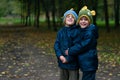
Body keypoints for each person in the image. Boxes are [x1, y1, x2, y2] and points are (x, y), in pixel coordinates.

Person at [65, 6, 99, 80]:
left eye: (86, 19)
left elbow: (82, 45)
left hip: (89, 63)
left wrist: (70, 50)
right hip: (86, 63)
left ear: (90, 21)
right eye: (81, 19)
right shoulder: (83, 30)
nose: (83, 21)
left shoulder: (90, 33)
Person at [54, 8, 80, 80]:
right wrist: (60, 56)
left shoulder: (77, 32)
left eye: (72, 17)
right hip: (62, 62)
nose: (70, 18)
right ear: (64, 19)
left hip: (73, 63)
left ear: (75, 20)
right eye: (68, 16)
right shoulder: (61, 32)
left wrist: (68, 59)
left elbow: (77, 47)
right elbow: (56, 45)